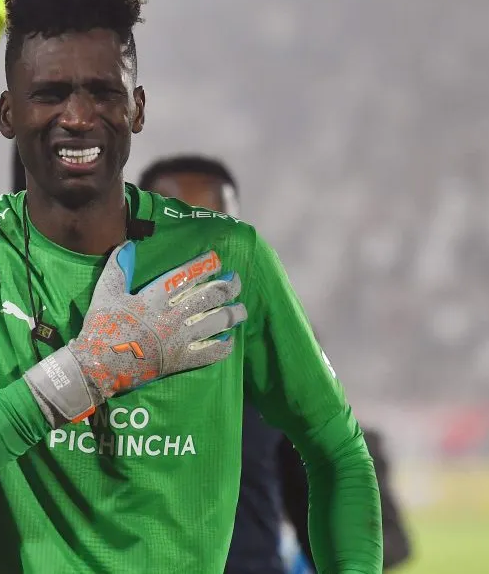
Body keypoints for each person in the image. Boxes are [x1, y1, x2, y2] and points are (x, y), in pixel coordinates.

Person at [0, 0, 383, 574]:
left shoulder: (227, 257)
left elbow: (339, 453)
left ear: (137, 108)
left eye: (103, 92)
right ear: (7, 113)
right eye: (49, 94)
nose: (77, 115)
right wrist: (76, 377)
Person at [139, 154, 412, 574]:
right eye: (172, 226)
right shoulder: (95, 340)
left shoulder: (275, 341)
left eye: (212, 227)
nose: (191, 249)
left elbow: (324, 473)